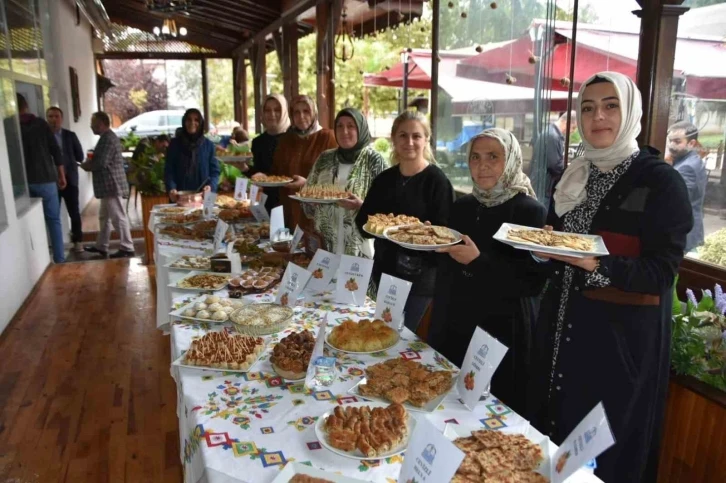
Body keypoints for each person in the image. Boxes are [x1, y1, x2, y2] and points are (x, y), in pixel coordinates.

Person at [527, 72, 693, 482]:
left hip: (616, 350)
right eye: (587, 107)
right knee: (554, 445)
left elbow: (661, 273)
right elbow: (557, 245)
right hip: (560, 334)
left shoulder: (659, 181)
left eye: (610, 105)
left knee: (605, 457)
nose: (597, 116)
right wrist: (543, 250)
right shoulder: (573, 176)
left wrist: (596, 262)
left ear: (630, 110)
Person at [429, 128, 546, 415]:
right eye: (475, 157)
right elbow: (448, 271)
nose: (482, 165)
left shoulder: (530, 211)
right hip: (458, 325)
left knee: (497, 414)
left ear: (511, 160)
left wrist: (477, 261)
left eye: (493, 157)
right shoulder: (462, 206)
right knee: (452, 407)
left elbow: (532, 284)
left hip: (504, 332)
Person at [355, 111, 454, 333]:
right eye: (403, 135)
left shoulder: (437, 182)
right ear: (393, 139)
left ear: (426, 139)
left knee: (409, 340)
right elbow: (363, 222)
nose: (409, 142)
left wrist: (425, 235)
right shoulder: (384, 180)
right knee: (383, 334)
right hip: (385, 276)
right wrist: (381, 229)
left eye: (416, 136)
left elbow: (446, 235)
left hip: (420, 282)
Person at [301, 108, 387, 256]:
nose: (344, 131)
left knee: (354, 280)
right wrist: (311, 202)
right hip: (325, 244)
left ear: (361, 128)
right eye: (339, 126)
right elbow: (307, 196)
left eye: (350, 126)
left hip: (360, 247)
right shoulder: (325, 158)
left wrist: (361, 206)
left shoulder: (374, 160)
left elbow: (387, 209)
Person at [269, 95, 337, 230]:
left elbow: (337, 179)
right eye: (296, 112)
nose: (301, 116)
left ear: (314, 113)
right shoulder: (286, 140)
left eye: (306, 111)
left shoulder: (328, 138)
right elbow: (277, 173)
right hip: (289, 210)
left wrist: (307, 184)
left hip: (317, 212)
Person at [17, 94, 67, 263]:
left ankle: (38, 259)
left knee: (28, 220)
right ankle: (59, 258)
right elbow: (55, 151)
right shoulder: (40, 124)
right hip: (46, 178)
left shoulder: (9, 125)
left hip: (21, 181)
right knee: (53, 220)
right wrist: (61, 175)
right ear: (26, 106)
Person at [81, 112, 136, 259]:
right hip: (109, 186)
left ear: (102, 124)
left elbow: (101, 162)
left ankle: (127, 247)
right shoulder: (106, 138)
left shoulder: (108, 139)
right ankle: (102, 246)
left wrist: (87, 165)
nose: (91, 126)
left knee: (118, 217)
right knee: (104, 217)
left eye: (93, 123)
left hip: (112, 185)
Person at [667, 120, 707, 253]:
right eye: (670, 140)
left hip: (684, 236)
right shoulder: (692, 160)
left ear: (691, 143)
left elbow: (675, 204)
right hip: (690, 232)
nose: (671, 146)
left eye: (677, 142)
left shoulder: (686, 167)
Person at [165, 108, 219, 201]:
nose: (192, 122)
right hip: (179, 197)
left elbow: (214, 172)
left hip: (203, 197)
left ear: (201, 123)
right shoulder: (175, 144)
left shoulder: (208, 145)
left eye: (196, 120)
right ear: (184, 122)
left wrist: (210, 186)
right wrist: (171, 188)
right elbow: (169, 170)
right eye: (189, 119)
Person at [249, 94, 291, 212]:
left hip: (291, 203)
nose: (272, 114)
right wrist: (244, 168)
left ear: (284, 111)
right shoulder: (258, 142)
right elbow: (258, 173)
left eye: (277, 110)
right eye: (267, 110)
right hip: (267, 203)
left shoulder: (294, 139)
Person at [529, 111, 577, 210]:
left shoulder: (551, 133)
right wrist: (570, 166)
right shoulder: (553, 136)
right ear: (567, 122)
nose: (572, 131)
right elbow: (555, 166)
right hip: (543, 184)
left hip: (541, 182)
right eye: (573, 128)